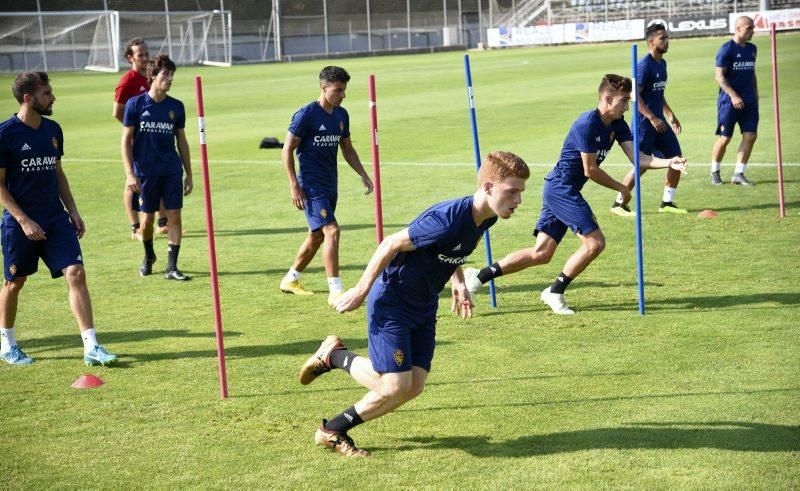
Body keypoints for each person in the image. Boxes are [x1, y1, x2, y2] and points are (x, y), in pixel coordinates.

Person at [298, 151, 530, 457]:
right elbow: (390, 243)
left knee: (413, 386)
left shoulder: (485, 217)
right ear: (488, 187)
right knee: (394, 385)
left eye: (520, 193)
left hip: (424, 304)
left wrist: (458, 281)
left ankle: (333, 430)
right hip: (393, 302)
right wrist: (361, 289)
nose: (518, 201)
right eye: (511, 192)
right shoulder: (448, 219)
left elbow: (451, 250)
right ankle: (335, 356)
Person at [465, 75, 687, 315]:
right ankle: (555, 291)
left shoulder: (619, 124)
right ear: (607, 98)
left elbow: (639, 158)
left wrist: (669, 162)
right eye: (624, 101)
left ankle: (479, 275)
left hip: (561, 189)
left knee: (541, 253)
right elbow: (589, 170)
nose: (627, 106)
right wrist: (621, 187)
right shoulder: (588, 124)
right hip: (561, 188)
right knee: (595, 243)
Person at [0, 72, 118, 366]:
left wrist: (73, 211)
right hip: (19, 223)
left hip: (55, 218)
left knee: (76, 273)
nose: (53, 97)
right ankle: (7, 344)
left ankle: (91, 346)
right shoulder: (5, 135)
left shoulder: (53, 130)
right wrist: (24, 221)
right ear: (28, 98)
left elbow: (58, 174)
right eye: (47, 93)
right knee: (15, 282)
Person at [279, 66, 374, 305]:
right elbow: (287, 149)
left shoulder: (342, 115)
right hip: (311, 187)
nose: (343, 95)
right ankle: (335, 290)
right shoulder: (306, 115)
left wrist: (362, 173)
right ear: (324, 88)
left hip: (331, 185)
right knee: (332, 230)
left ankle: (290, 279)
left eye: (344, 90)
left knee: (316, 236)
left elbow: (347, 148)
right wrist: (294, 186)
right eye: (338, 90)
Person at [121, 54, 192, 281]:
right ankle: (149, 256)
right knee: (147, 221)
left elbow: (182, 141)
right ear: (153, 76)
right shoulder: (135, 104)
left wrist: (189, 174)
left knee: (174, 216)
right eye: (165, 74)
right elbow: (125, 141)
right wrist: (130, 173)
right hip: (145, 173)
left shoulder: (176, 107)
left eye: (172, 74)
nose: (170, 78)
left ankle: (172, 267)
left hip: (171, 170)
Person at [612, 23, 687, 216]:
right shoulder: (643, 66)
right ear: (651, 42)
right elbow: (636, 97)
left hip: (659, 122)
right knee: (641, 165)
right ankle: (618, 204)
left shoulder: (662, 64)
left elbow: (658, 94)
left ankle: (667, 203)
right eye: (662, 38)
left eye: (667, 37)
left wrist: (670, 115)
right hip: (644, 124)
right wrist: (652, 117)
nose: (667, 41)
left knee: (676, 159)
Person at [113, 38, 168, 239]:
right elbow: (117, 112)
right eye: (140, 55)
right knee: (132, 183)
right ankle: (135, 227)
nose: (145, 58)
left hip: (155, 139)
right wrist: (135, 130)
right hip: (137, 143)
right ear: (130, 58)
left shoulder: (152, 75)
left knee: (160, 177)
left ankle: (162, 223)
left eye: (146, 53)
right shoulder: (127, 82)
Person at [710, 16, 758, 186]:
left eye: (753, 27)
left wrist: (755, 94)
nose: (753, 30)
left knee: (750, 135)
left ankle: (739, 173)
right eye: (749, 28)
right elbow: (719, 76)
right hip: (729, 103)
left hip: (750, 101)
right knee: (725, 138)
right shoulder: (726, 50)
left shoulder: (752, 49)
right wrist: (733, 95)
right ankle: (714, 172)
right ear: (738, 29)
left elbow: (752, 74)